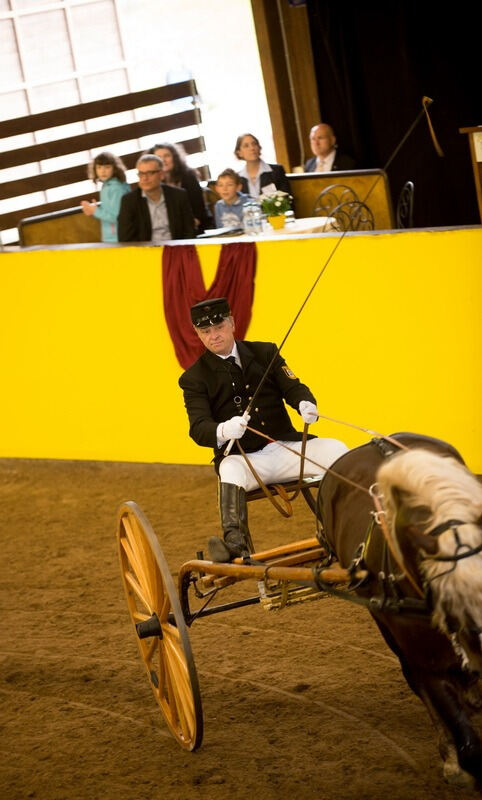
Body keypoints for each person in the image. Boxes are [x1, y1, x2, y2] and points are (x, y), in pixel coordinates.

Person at [179, 297, 348, 563]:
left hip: (286, 448)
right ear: (198, 334)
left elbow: (293, 386)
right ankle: (235, 543)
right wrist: (223, 430)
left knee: (336, 450)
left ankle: (346, 525)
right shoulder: (194, 378)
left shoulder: (265, 353)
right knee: (229, 470)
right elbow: (199, 429)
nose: (214, 336)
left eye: (219, 327)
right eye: (205, 331)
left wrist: (305, 402)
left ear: (232, 323)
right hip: (247, 461)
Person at [117, 154, 196, 242]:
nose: (144, 178)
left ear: (161, 174)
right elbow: (125, 238)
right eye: (141, 174)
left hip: (176, 250)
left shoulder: (179, 195)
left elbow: (189, 231)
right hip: (144, 252)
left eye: (150, 173)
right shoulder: (129, 201)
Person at [148, 142, 213, 233]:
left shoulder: (189, 177)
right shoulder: (152, 184)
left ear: (174, 158)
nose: (163, 160)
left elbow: (199, 211)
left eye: (167, 156)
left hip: (194, 227)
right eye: (159, 157)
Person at [80, 151, 131, 242]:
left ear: (114, 168)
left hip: (118, 238)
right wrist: (94, 211)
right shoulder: (107, 186)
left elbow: (118, 217)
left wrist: (95, 211)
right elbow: (110, 213)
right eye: (99, 167)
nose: (102, 171)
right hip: (113, 237)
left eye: (107, 167)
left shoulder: (116, 188)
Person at [235, 133, 291, 198]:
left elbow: (287, 200)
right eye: (246, 146)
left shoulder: (276, 171)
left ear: (259, 147)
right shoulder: (237, 178)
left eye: (254, 144)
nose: (252, 148)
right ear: (239, 153)